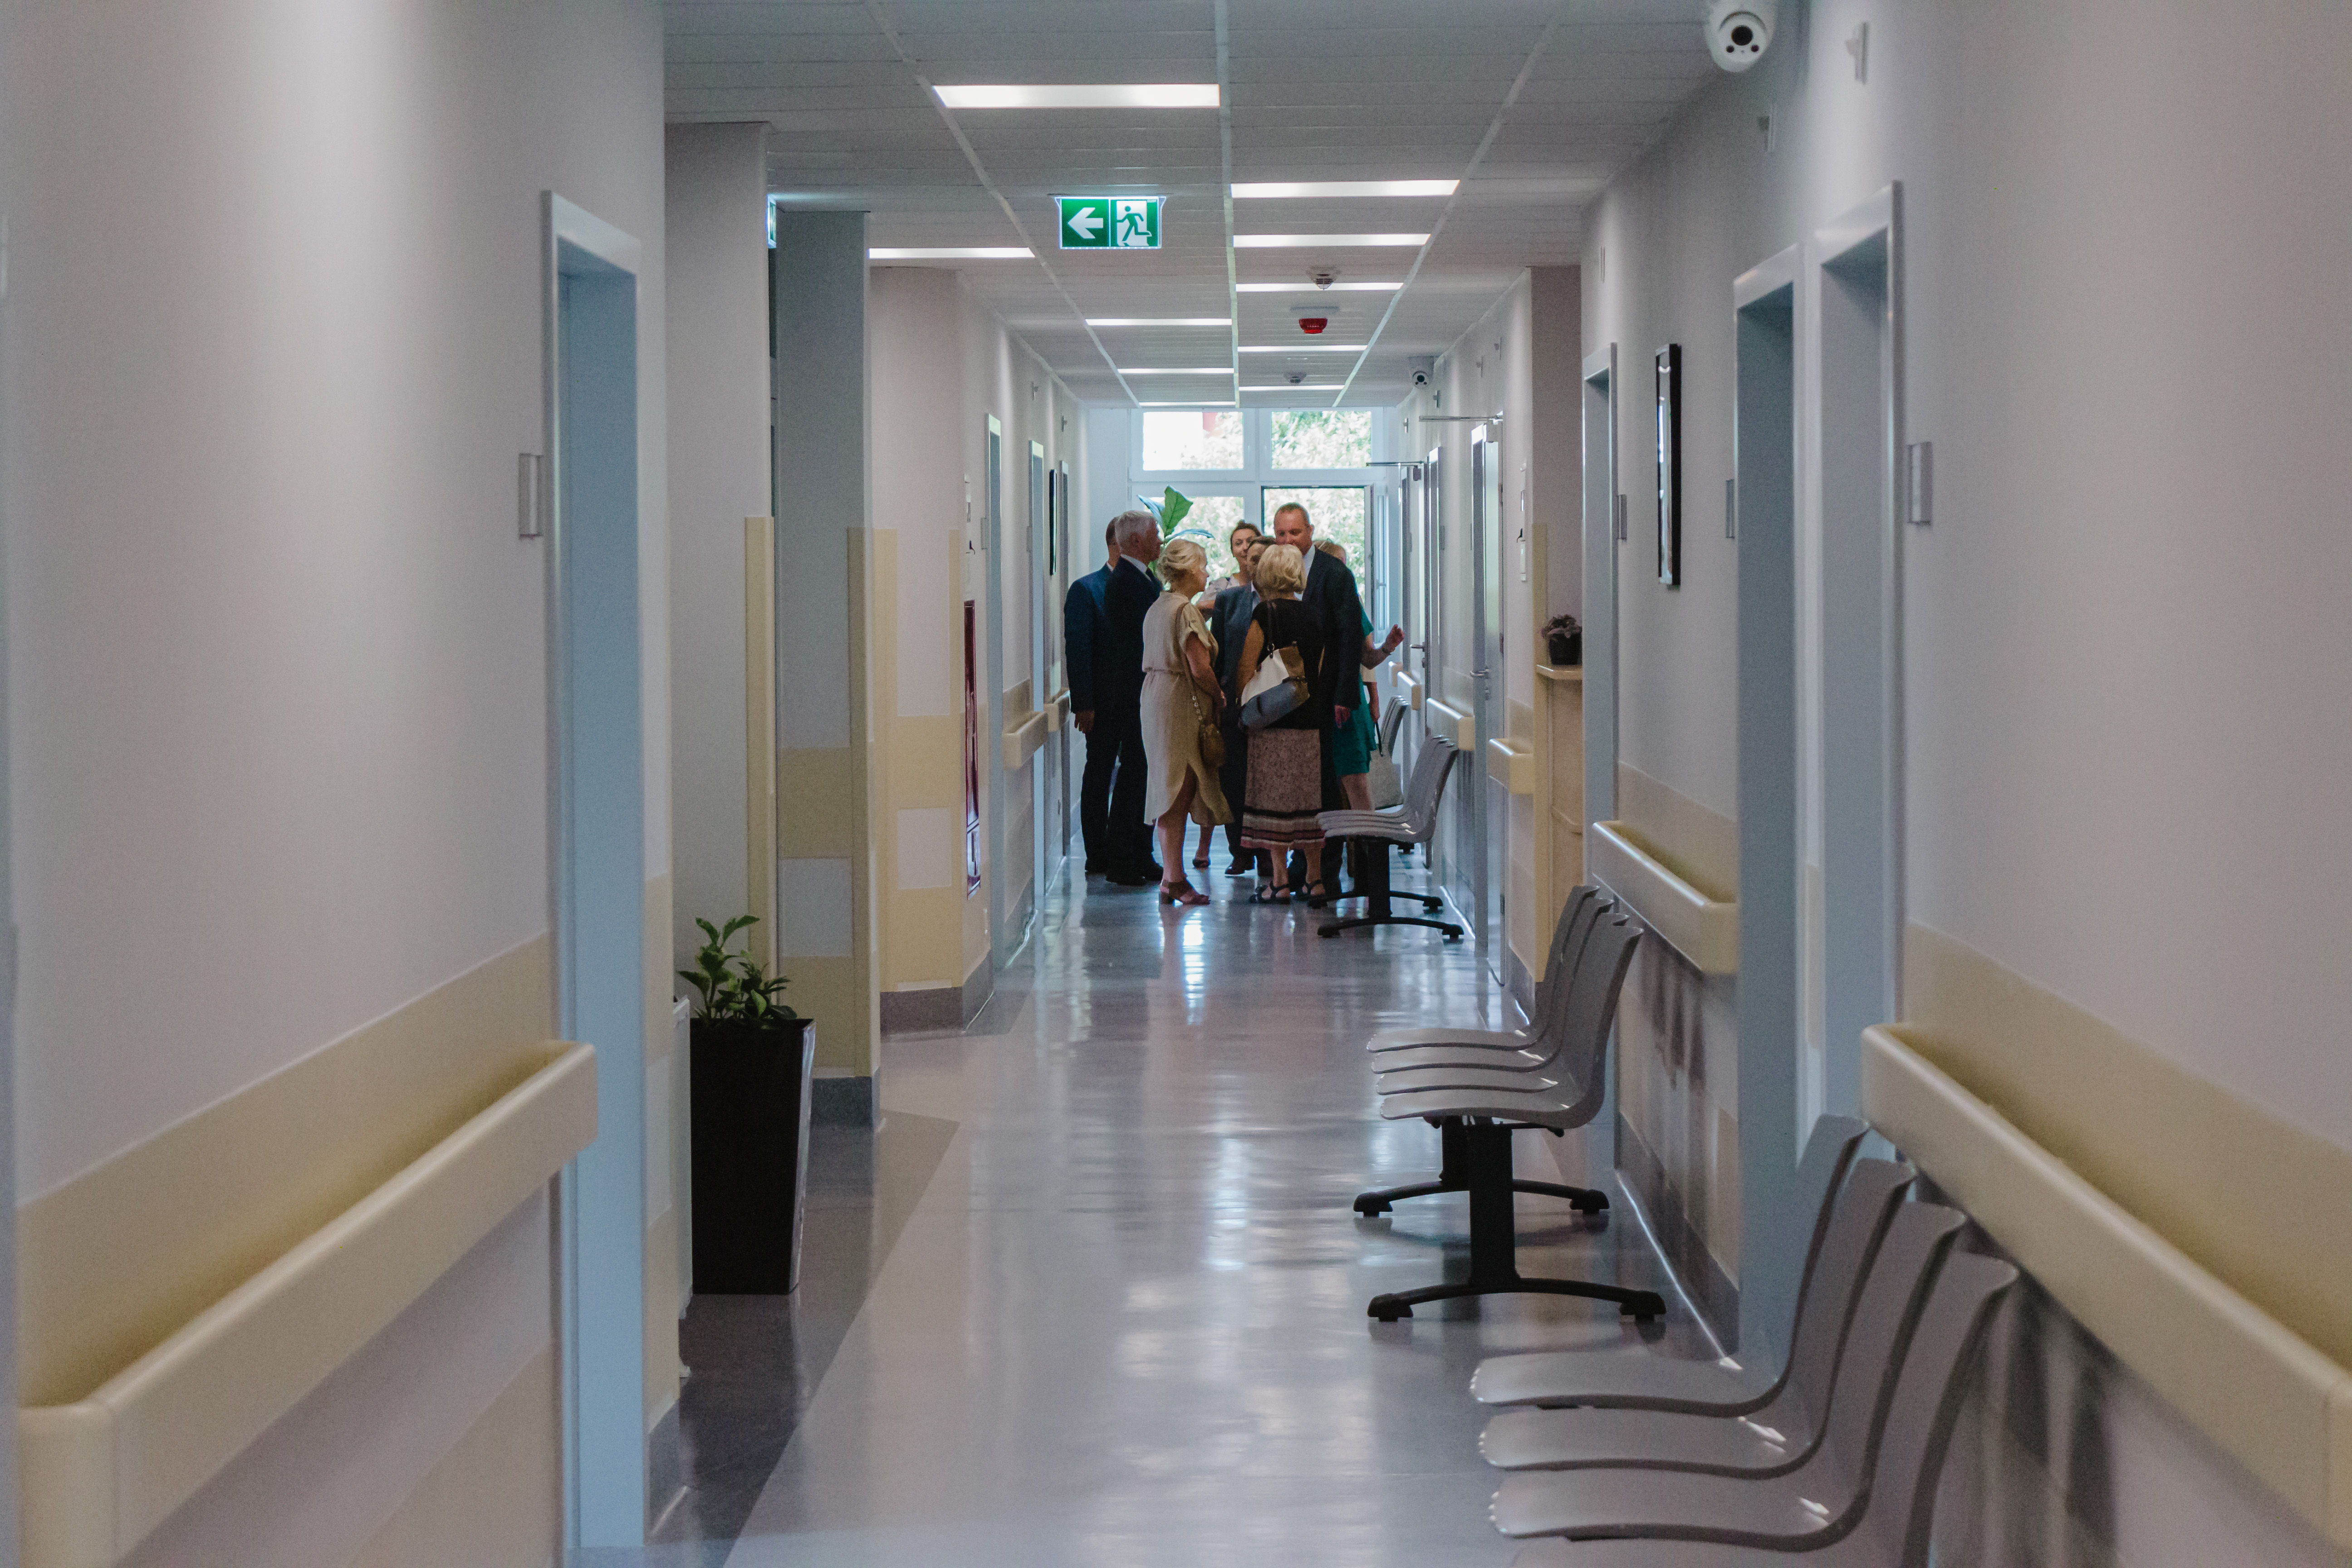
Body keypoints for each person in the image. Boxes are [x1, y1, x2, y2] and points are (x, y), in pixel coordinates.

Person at [1269, 502, 1362, 900]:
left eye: (1295, 532)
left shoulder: (1334, 574)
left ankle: (1325, 870)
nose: (1288, 540)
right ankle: (1299, 867)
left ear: (1310, 531)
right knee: (1295, 785)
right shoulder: (1274, 572)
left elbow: (1350, 637)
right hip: (1287, 701)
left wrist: (1345, 695)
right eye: (1281, 533)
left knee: (1324, 785)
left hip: (1326, 698)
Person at [1234, 542, 1329, 902]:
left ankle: (1280, 881)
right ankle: (1315, 879)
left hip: (1272, 721)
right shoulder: (1315, 615)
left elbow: (1246, 670)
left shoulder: (1265, 614)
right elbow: (1318, 669)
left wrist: (1245, 706)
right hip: (1309, 721)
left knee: (1273, 800)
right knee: (1308, 799)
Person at [1139, 538, 1231, 906]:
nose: (1207, 574)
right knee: (1179, 787)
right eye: (1203, 567)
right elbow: (1199, 667)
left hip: (1156, 698)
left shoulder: (1159, 606)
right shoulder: (1185, 611)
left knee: (1167, 785)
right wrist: (1219, 696)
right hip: (1179, 702)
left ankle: (1171, 876)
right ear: (1190, 570)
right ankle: (1174, 879)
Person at [1095, 510, 1166, 885]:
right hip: (1133, 693)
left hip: (1141, 691)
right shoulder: (1126, 582)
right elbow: (1140, 641)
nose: (1160, 539)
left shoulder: (1144, 577)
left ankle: (1141, 851)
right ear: (1137, 541)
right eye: (1155, 534)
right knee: (1135, 774)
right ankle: (1123, 857)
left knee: (1143, 775)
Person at [1314, 539, 1406, 810]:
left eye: (1344, 566)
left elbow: (1367, 659)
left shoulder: (1352, 606)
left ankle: (1366, 837)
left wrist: (1387, 648)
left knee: (1357, 785)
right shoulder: (1306, 603)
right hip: (1318, 704)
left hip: (1348, 705)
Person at [1064, 519, 1123, 874]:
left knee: (1135, 777)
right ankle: (1097, 852)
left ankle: (1127, 847)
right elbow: (1078, 649)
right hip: (1101, 704)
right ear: (1118, 543)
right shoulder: (1086, 590)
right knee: (1099, 773)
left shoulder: (1148, 586)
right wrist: (1083, 703)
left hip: (1138, 702)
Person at [1207, 531, 1268, 874]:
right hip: (1234, 702)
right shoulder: (1229, 600)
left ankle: (1269, 854)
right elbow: (1217, 654)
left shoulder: (1288, 600)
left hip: (1275, 705)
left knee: (1267, 781)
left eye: (1262, 558)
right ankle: (1240, 851)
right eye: (1251, 558)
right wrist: (1217, 699)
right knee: (1234, 778)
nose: (1254, 563)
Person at [1200, 522, 1261, 597]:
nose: (1245, 548)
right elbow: (1200, 604)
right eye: (1239, 544)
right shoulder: (1220, 587)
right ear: (1232, 552)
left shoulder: (1271, 584)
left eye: (1250, 542)